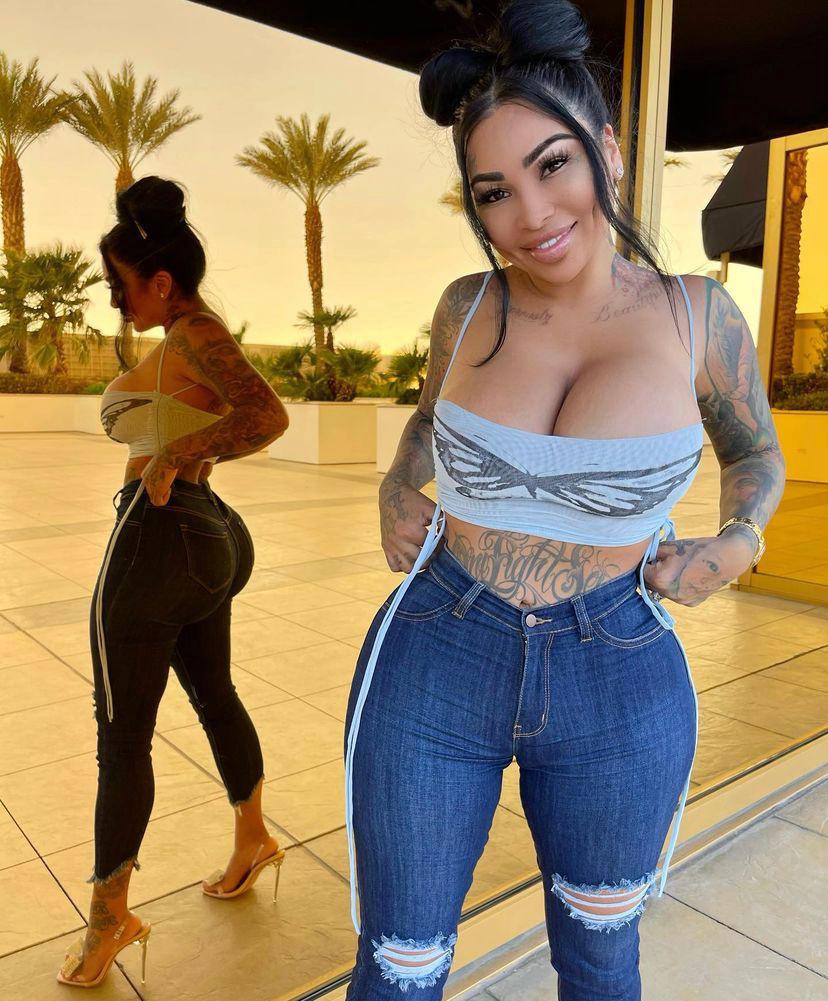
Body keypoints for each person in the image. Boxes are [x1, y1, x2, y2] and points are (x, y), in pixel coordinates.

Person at [343, 1, 785, 998]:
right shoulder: (467, 306)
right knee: (399, 965)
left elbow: (757, 449)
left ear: (609, 153)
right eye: (494, 191)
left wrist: (739, 540)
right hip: (437, 649)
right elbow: (425, 424)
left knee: (598, 961)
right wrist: (394, 484)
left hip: (617, 669)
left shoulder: (696, 316)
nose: (531, 215)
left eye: (554, 166)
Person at [57, 176, 290, 988]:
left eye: (120, 283)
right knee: (214, 691)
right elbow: (238, 415)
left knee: (122, 735)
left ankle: (108, 918)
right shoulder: (191, 335)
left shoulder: (195, 334)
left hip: (160, 537)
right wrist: (188, 452)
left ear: (160, 281)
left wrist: (175, 455)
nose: (115, 299)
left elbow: (266, 415)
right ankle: (253, 837)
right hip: (202, 535)